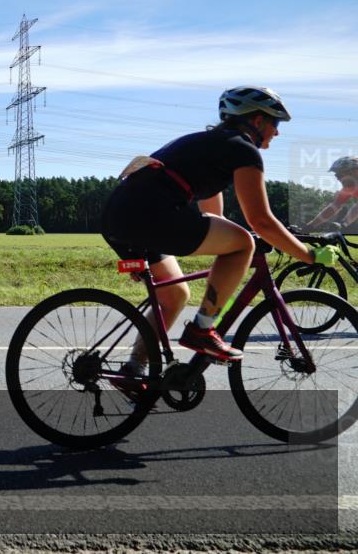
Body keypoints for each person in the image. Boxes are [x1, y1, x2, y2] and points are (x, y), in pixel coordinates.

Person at [100, 86, 338, 388]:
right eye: (274, 123)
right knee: (242, 244)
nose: (277, 133)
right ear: (256, 121)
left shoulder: (210, 147)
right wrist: (308, 255)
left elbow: (216, 221)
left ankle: (133, 370)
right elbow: (261, 220)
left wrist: (246, 239)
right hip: (149, 215)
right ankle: (202, 329)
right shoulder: (242, 150)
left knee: (176, 296)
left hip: (120, 216)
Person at [302, 156, 358, 232]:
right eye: (336, 175)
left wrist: (343, 223)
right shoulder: (349, 188)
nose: (338, 179)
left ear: (355, 171)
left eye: (340, 175)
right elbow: (334, 207)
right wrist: (310, 226)